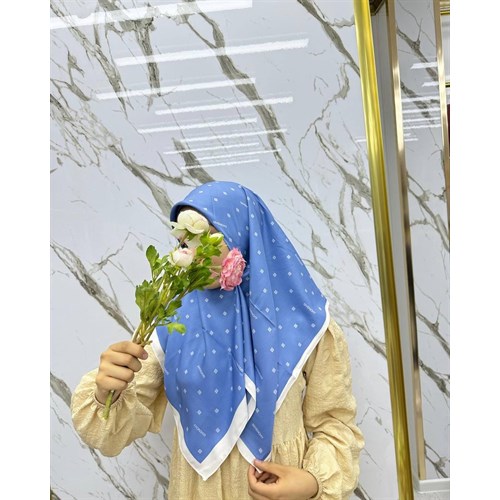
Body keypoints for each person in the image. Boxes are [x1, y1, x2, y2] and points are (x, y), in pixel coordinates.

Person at [71, 181, 365, 499]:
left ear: (244, 235)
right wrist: (106, 392)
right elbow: (108, 433)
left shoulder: (304, 322)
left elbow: (336, 423)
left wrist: (311, 482)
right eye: (184, 240)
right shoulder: (171, 321)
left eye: (207, 236)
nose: (192, 252)